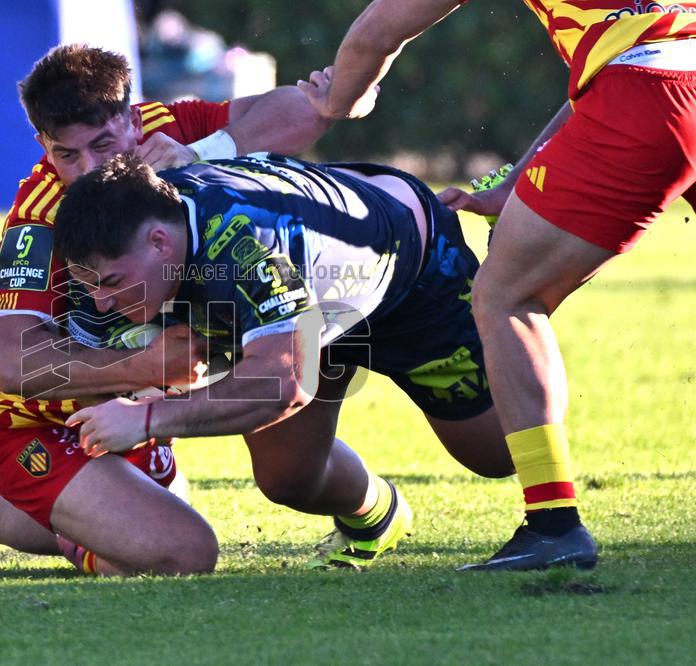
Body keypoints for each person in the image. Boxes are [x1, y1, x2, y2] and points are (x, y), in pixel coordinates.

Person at [0, 44, 338, 576]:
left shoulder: (163, 133)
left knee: (177, 487)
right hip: (25, 421)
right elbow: (16, 365)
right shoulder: (40, 221)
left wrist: (211, 149)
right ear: (43, 144)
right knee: (180, 553)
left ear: (131, 121)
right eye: (66, 155)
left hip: (120, 413)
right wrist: (146, 368)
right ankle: (84, 541)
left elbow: (302, 109)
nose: (89, 169)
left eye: (102, 145)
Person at [296, 0, 696, 570]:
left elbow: (379, 29)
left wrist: (336, 102)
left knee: (506, 297)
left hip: (649, 92)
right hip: (666, 77)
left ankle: (554, 524)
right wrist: (517, 179)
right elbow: (619, 62)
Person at [52, 151, 516, 570]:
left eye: (112, 283)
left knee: (498, 454)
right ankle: (377, 516)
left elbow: (283, 385)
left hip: (408, 272)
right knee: (288, 479)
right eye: (92, 285)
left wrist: (148, 416)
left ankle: (528, 256)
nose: (102, 301)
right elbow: (89, 367)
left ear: (159, 243)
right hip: (306, 307)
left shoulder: (245, 244)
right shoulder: (127, 238)